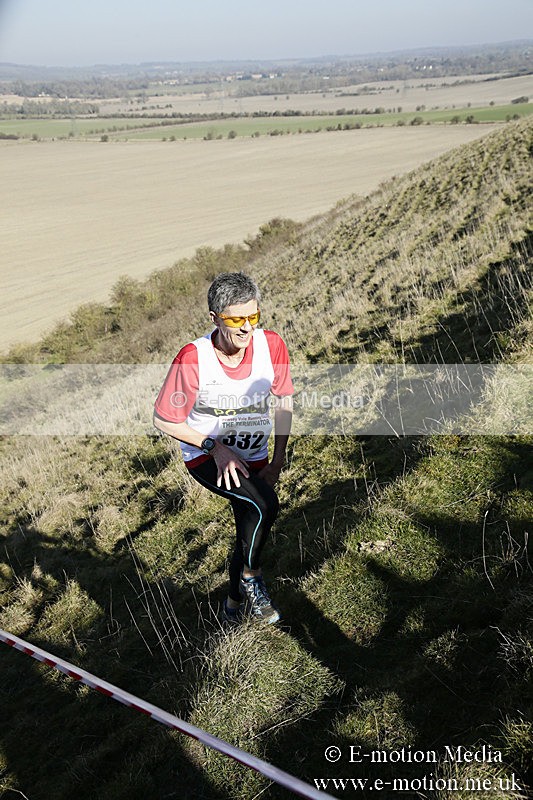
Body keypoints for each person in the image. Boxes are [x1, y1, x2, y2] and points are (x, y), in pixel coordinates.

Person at [153, 272, 293, 625]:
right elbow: (164, 419)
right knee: (265, 505)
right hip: (207, 457)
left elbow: (284, 401)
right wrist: (215, 448)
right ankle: (251, 578)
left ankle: (232, 604)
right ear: (215, 318)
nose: (247, 328)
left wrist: (277, 459)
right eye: (235, 320)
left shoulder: (271, 345)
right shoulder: (193, 358)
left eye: (253, 316)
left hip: (255, 455)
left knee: (248, 524)